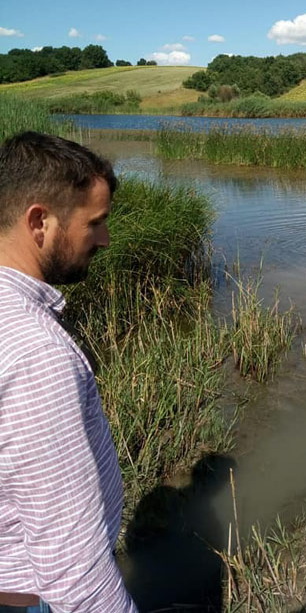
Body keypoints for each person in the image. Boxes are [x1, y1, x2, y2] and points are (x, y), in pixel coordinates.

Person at [0, 132, 138, 613]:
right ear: (39, 221)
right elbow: (73, 570)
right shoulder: (37, 355)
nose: (104, 239)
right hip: (33, 596)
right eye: (95, 222)